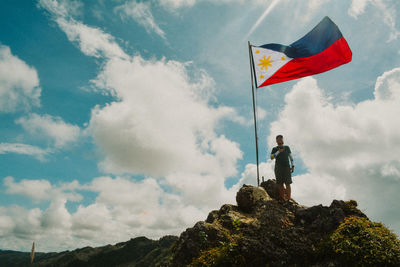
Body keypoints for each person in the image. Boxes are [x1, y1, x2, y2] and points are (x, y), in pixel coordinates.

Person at [270, 135, 294, 202]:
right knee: (280, 184)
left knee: (288, 183)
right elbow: (271, 157)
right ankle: (282, 198)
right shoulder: (275, 149)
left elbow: (290, 157)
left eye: (280, 139)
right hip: (278, 167)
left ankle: (289, 199)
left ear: (283, 140)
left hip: (286, 167)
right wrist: (278, 152)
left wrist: (293, 165)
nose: (279, 140)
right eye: (278, 139)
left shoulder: (287, 147)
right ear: (276, 141)